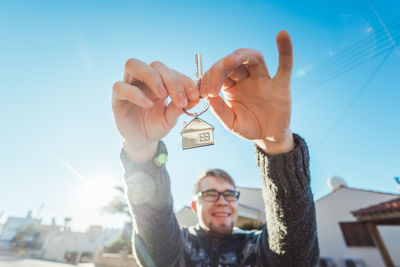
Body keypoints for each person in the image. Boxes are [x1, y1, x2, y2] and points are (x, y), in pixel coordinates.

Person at [112, 31, 319, 266]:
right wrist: (141, 152)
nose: (222, 201)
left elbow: (295, 257)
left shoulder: (255, 249)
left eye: (229, 194)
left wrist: (276, 144)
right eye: (210, 194)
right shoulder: (178, 247)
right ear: (194, 205)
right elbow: (156, 247)